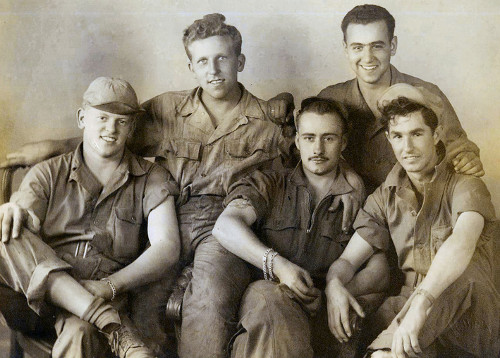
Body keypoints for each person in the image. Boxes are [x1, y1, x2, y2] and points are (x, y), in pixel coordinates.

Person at [0, 14, 363, 357]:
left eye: (223, 58)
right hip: (166, 218)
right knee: (144, 310)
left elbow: (314, 156)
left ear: (240, 61)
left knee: (207, 299)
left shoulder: (268, 123)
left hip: (225, 232)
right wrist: (52, 148)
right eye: (202, 61)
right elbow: (110, 131)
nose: (214, 69)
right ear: (191, 67)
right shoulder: (167, 110)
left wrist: (348, 182)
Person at [0, 77, 181, 358]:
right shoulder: (47, 173)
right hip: (40, 302)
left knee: (80, 332)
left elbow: (167, 246)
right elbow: (25, 216)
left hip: (109, 293)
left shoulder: (151, 178)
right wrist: (14, 210)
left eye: (122, 121)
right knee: (5, 231)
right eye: (103, 118)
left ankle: (102, 318)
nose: (111, 129)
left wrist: (110, 287)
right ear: (82, 118)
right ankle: (109, 323)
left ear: (132, 128)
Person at [326, 84, 499, 358]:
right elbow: (348, 261)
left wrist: (422, 303)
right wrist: (333, 285)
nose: (407, 147)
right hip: (411, 313)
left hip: (468, 317)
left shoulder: (466, 185)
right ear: (388, 138)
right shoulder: (386, 195)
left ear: (437, 134)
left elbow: (461, 244)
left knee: (460, 276)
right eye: (398, 136)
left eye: (417, 134)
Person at [212, 97, 389, 358]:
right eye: (309, 137)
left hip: (325, 318)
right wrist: (279, 266)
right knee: (267, 299)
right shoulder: (271, 183)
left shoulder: (364, 197)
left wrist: (336, 291)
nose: (317, 148)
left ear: (344, 143)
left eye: (328, 138)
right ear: (297, 141)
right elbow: (225, 226)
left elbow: (380, 269)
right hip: (268, 306)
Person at [314, 4, 484, 194]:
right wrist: (345, 174)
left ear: (392, 46)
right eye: (358, 47)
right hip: (354, 209)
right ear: (346, 49)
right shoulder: (331, 98)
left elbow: (458, 148)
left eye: (377, 46)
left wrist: (467, 160)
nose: (368, 57)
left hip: (416, 210)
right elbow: (306, 152)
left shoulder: (427, 94)